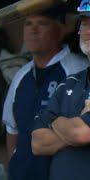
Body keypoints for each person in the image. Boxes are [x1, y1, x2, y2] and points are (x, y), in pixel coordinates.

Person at [2, 6, 89, 180]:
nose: (33, 30)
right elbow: (22, 135)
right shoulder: (21, 76)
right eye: (28, 24)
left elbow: (81, 133)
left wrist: (54, 123)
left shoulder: (76, 68)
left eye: (42, 23)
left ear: (61, 29)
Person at [31, 1, 90, 180]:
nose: (87, 31)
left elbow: (80, 134)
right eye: (85, 24)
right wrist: (72, 126)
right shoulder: (69, 84)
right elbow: (37, 143)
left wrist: (54, 122)